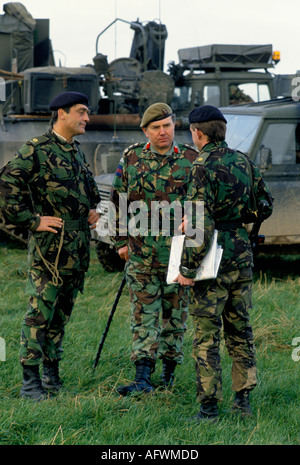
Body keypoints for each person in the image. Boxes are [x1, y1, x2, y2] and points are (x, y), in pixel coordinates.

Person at [0, 91, 101, 400]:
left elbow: (87, 193)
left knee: (60, 315)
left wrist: (92, 211)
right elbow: (6, 186)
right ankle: (30, 382)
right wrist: (32, 220)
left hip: (77, 248)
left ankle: (51, 376)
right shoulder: (37, 150)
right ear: (61, 113)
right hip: (50, 250)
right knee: (40, 313)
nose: (87, 118)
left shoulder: (76, 152)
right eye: (81, 112)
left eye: (87, 112)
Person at [175, 105, 273, 421]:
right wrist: (238, 219)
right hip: (241, 256)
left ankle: (208, 408)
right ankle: (243, 402)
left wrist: (187, 269)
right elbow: (266, 206)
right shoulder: (244, 161)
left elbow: (199, 227)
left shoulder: (199, 167)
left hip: (211, 262)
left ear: (197, 132)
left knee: (206, 335)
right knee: (240, 329)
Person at [110, 102, 199, 396]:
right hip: (141, 251)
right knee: (142, 314)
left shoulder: (191, 158)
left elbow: (200, 208)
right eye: (156, 128)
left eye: (168, 125)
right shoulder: (132, 157)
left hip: (177, 254)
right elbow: (118, 200)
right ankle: (142, 377)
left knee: (175, 316)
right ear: (145, 130)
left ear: (175, 125)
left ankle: (169, 374)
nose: (163, 132)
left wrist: (195, 252)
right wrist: (120, 241)